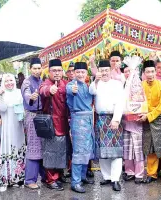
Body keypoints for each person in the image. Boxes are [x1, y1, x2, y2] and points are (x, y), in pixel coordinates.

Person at [89, 60, 124, 191]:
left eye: (106, 70)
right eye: (102, 70)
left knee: (115, 151)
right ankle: (107, 177)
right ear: (99, 71)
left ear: (110, 70)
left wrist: (116, 119)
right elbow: (91, 91)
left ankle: (115, 179)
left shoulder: (117, 84)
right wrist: (96, 80)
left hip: (113, 119)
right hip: (100, 119)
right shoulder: (96, 83)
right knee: (102, 150)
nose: (104, 73)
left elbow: (120, 102)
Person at [39, 58, 72, 191]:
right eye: (54, 71)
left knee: (62, 150)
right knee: (51, 152)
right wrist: (49, 90)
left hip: (64, 123)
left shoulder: (66, 83)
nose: (57, 73)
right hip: (51, 124)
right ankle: (50, 179)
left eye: (59, 70)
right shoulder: (46, 83)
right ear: (49, 72)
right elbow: (43, 91)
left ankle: (58, 175)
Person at [141, 60, 161, 187]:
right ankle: (151, 174)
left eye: (152, 71)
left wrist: (148, 116)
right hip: (145, 120)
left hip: (159, 120)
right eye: (147, 72)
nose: (150, 74)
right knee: (150, 148)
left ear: (155, 72)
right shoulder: (141, 85)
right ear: (144, 73)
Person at [66, 62, 96, 193]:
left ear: (86, 73)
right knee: (79, 151)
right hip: (78, 120)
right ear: (74, 73)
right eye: (77, 72)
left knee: (87, 150)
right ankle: (75, 182)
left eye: (82, 72)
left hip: (89, 120)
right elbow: (70, 90)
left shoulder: (88, 85)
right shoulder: (72, 85)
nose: (80, 74)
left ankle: (82, 176)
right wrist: (73, 90)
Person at [0, 73, 26, 191]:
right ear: (3, 82)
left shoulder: (19, 92)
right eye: (6, 81)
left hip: (18, 124)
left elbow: (25, 107)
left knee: (19, 146)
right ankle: (7, 178)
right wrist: (0, 96)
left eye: (11, 80)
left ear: (15, 81)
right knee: (8, 147)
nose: (9, 83)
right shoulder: (1, 94)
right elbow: (2, 109)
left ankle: (18, 178)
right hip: (7, 125)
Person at [21, 58, 45, 189]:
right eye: (34, 68)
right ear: (30, 69)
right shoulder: (27, 82)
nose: (37, 70)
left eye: (38, 68)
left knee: (42, 147)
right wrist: (30, 97)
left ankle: (44, 176)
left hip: (43, 116)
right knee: (33, 148)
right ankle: (30, 180)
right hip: (32, 117)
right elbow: (26, 93)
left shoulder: (42, 81)